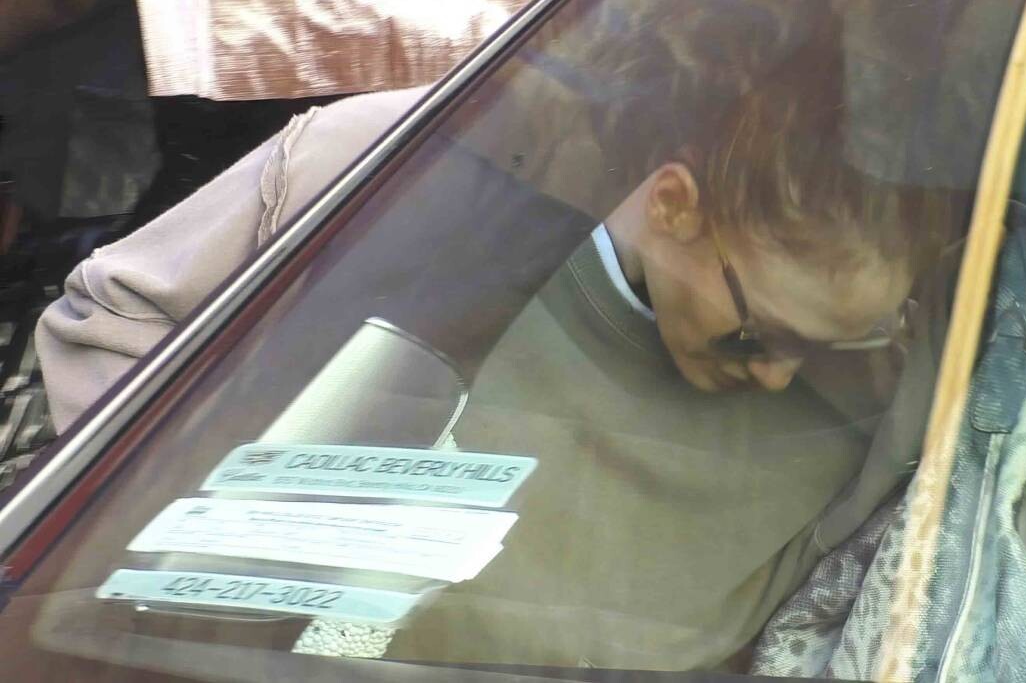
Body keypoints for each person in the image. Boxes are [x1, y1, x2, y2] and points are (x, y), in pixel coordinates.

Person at [34, 60, 959, 668]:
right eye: (759, 336)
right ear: (675, 205)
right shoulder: (387, 177)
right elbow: (113, 323)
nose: (781, 380)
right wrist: (212, 535)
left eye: (834, 348)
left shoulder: (854, 424)